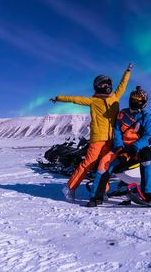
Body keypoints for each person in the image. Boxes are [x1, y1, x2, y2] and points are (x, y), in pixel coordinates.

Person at [50, 63, 132, 201]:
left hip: (112, 138)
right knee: (88, 164)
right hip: (98, 138)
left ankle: (101, 192)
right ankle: (69, 188)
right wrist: (58, 98)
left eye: (108, 84)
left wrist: (127, 72)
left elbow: (123, 85)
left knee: (105, 165)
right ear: (98, 86)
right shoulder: (93, 101)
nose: (107, 86)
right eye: (104, 84)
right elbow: (74, 99)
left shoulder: (115, 97)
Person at [86, 86, 151, 207]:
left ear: (144, 103)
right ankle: (96, 196)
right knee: (104, 163)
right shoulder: (122, 114)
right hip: (121, 148)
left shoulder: (146, 117)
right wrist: (119, 147)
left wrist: (136, 147)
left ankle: (149, 195)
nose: (135, 101)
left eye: (138, 99)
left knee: (147, 158)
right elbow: (117, 131)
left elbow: (149, 135)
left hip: (137, 149)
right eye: (133, 98)